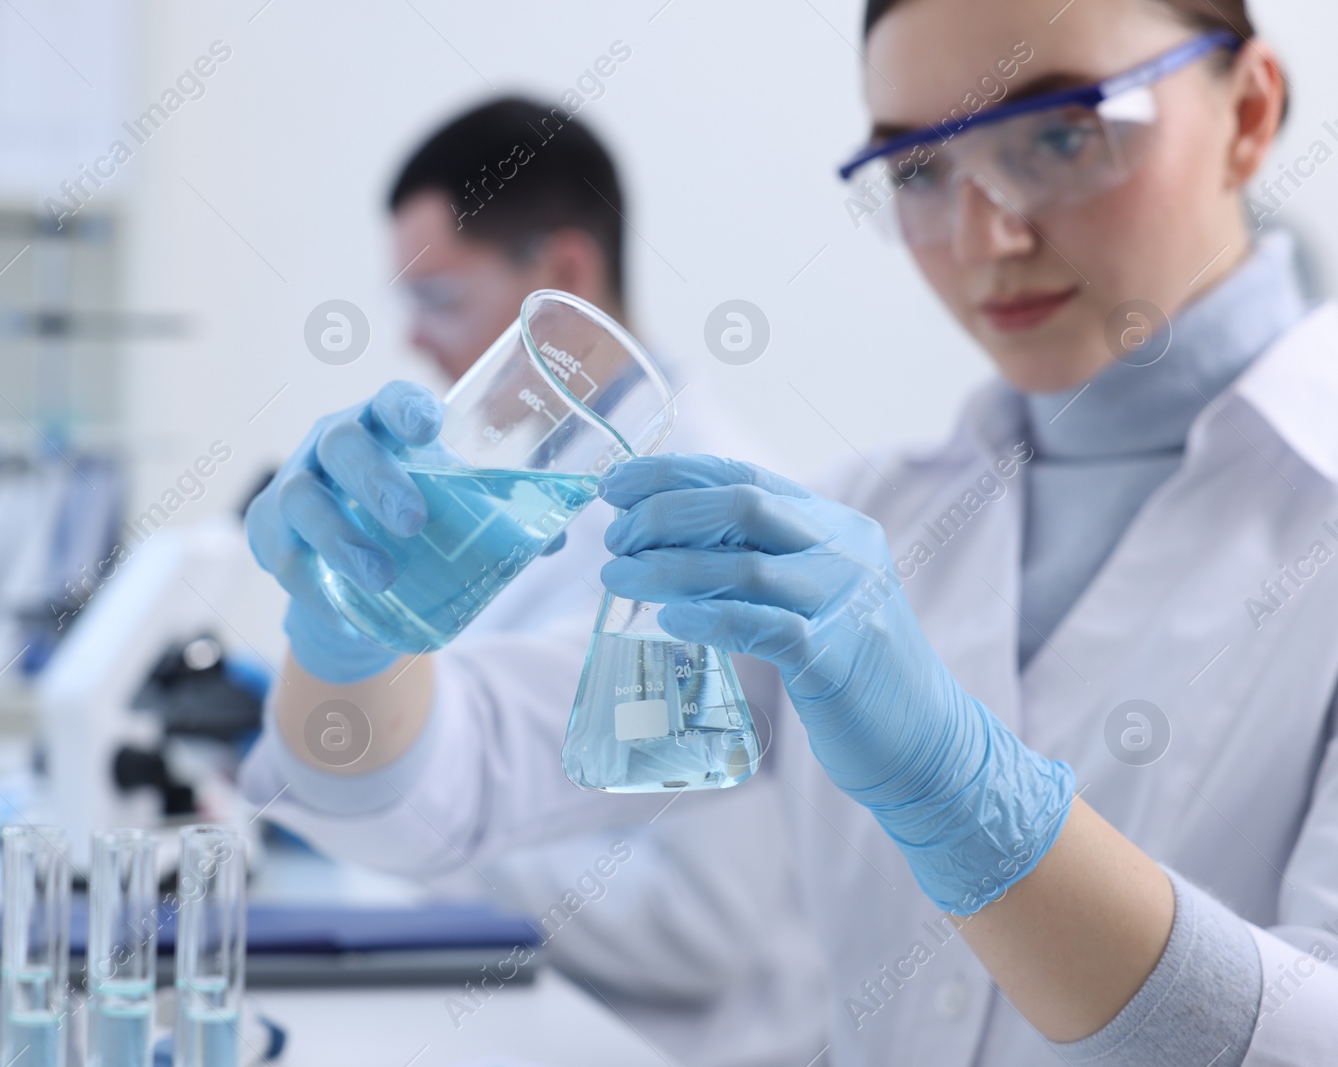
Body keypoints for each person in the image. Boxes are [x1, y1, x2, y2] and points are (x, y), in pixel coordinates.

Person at [243, 0, 1338, 1062]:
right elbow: (437, 787)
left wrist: (972, 804)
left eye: (1062, 131)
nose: (983, 232)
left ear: (1247, 112)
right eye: (916, 169)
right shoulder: (881, 522)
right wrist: (352, 626)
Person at [244, 98, 827, 1065]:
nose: (416, 343)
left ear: (562, 279)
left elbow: (695, 926)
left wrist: (452, 849)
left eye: (439, 300)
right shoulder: (523, 488)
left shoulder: (714, 518)